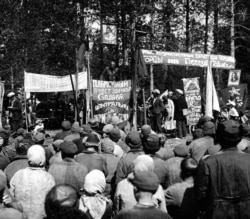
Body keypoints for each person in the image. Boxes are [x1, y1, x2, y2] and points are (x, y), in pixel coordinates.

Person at [194, 120, 250, 218]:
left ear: (218, 137)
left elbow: (200, 194)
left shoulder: (207, 162)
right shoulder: (248, 159)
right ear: (240, 138)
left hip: (218, 213)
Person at [10, 145, 55, 219]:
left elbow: (10, 197)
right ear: (43, 158)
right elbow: (52, 200)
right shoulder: (48, 177)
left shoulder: (18, 174)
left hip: (21, 216)